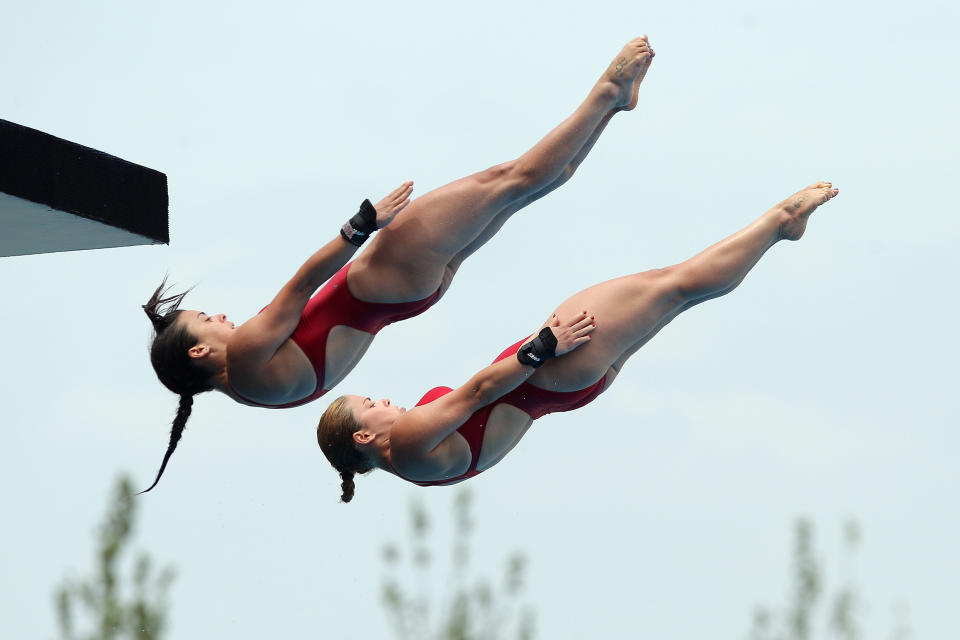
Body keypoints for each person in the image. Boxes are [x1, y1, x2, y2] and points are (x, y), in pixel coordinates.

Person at [140, 37, 656, 492]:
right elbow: (303, 284)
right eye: (207, 320)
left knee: (519, 192)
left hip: (409, 296)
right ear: (201, 350)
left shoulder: (262, 397)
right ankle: (606, 94)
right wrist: (360, 226)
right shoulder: (249, 357)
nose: (222, 316)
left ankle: (612, 105)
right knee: (511, 180)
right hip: (384, 274)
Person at [317, 182, 840, 501]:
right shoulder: (405, 445)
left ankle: (777, 230)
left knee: (678, 293)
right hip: (551, 366)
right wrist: (544, 345)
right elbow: (476, 395)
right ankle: (780, 223)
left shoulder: (417, 470)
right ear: (363, 438)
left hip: (562, 389)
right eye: (371, 404)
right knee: (673, 283)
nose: (384, 399)